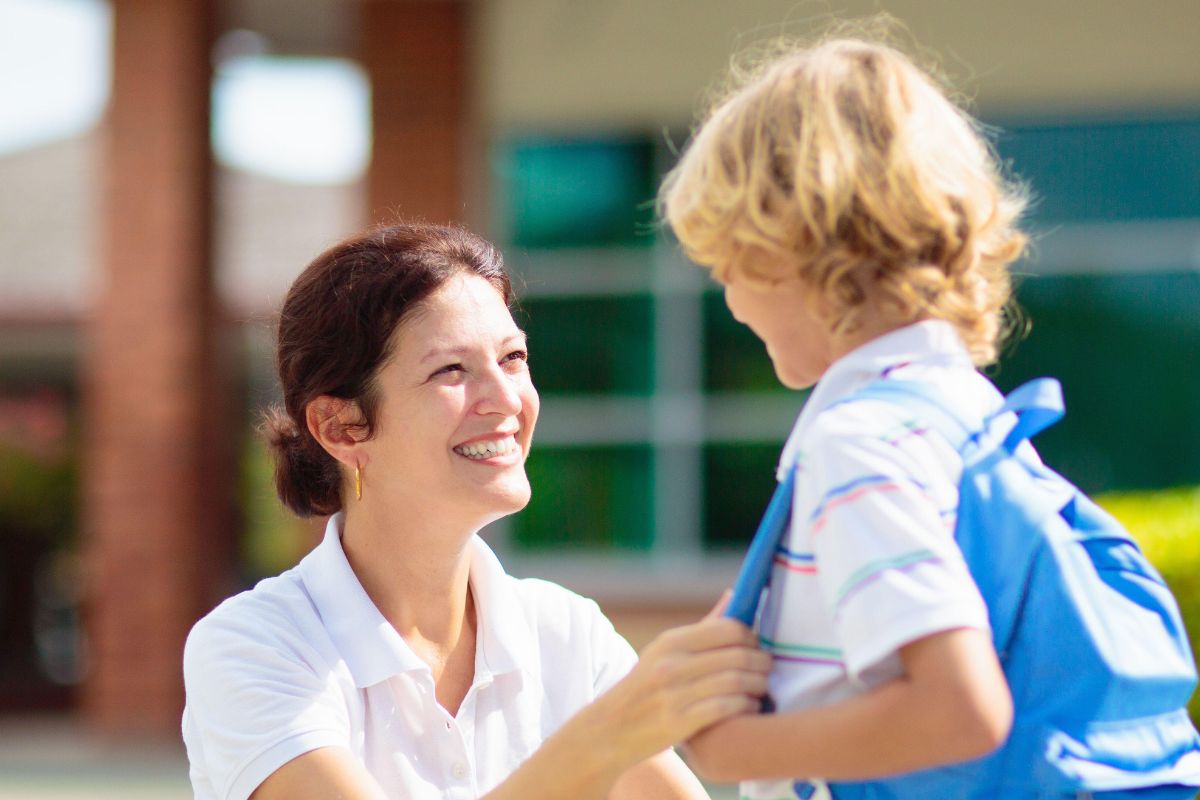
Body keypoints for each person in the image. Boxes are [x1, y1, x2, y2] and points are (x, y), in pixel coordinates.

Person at [181, 223, 772, 800]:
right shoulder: (255, 646)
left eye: (513, 358)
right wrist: (607, 735)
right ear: (341, 426)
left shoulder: (566, 633)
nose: (507, 398)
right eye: (452, 371)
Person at [658, 33, 1030, 800]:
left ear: (791, 248)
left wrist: (732, 749)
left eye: (728, 264)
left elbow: (961, 708)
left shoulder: (856, 444)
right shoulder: (968, 413)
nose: (730, 302)